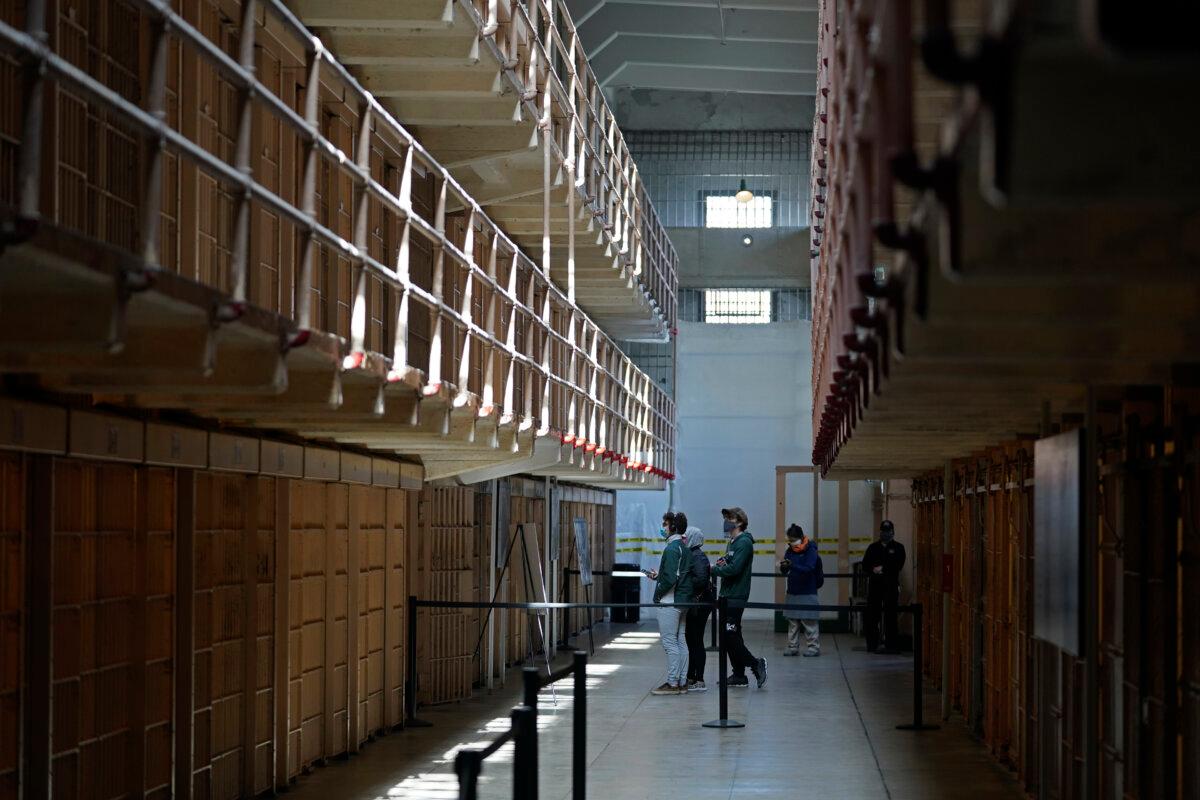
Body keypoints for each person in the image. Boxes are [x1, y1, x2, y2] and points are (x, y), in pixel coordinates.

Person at [711, 507, 767, 688]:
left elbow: (734, 569)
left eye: (730, 518)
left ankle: (756, 664)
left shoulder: (744, 543)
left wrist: (714, 570)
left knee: (730, 635)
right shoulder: (733, 542)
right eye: (726, 518)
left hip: (736, 595)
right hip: (727, 594)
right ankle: (739, 675)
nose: (726, 521)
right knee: (732, 635)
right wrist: (721, 563)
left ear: (740, 522)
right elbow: (728, 562)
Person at [647, 512, 694, 694]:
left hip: (670, 601)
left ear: (673, 527)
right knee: (681, 640)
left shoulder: (672, 549)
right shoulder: (684, 547)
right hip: (682, 601)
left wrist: (658, 594)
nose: (663, 528)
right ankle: (682, 681)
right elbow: (677, 574)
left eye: (665, 525)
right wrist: (660, 576)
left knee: (669, 643)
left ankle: (673, 683)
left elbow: (671, 579)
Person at [862, 519, 906, 653]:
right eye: (883, 531)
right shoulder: (873, 548)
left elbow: (898, 565)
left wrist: (883, 568)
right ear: (880, 532)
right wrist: (873, 570)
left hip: (890, 586)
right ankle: (872, 644)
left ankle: (891, 645)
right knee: (872, 616)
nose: (885, 534)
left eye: (888, 531)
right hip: (875, 586)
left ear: (892, 532)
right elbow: (865, 565)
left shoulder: (898, 548)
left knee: (890, 617)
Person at [779, 523, 822, 657]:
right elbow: (785, 569)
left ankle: (813, 648)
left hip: (808, 591)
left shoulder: (811, 550)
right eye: (790, 540)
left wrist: (793, 565)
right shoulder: (790, 551)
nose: (792, 543)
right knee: (793, 622)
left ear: (801, 537)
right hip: (793, 591)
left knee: (809, 622)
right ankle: (792, 647)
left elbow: (809, 568)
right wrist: (784, 567)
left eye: (793, 540)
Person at [683, 523, 714, 692]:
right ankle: (691, 676)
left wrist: (683, 581)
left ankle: (699, 679)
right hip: (696, 603)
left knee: (696, 640)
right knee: (691, 639)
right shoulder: (692, 554)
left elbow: (701, 580)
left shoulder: (698, 556)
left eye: (685, 537)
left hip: (700, 604)